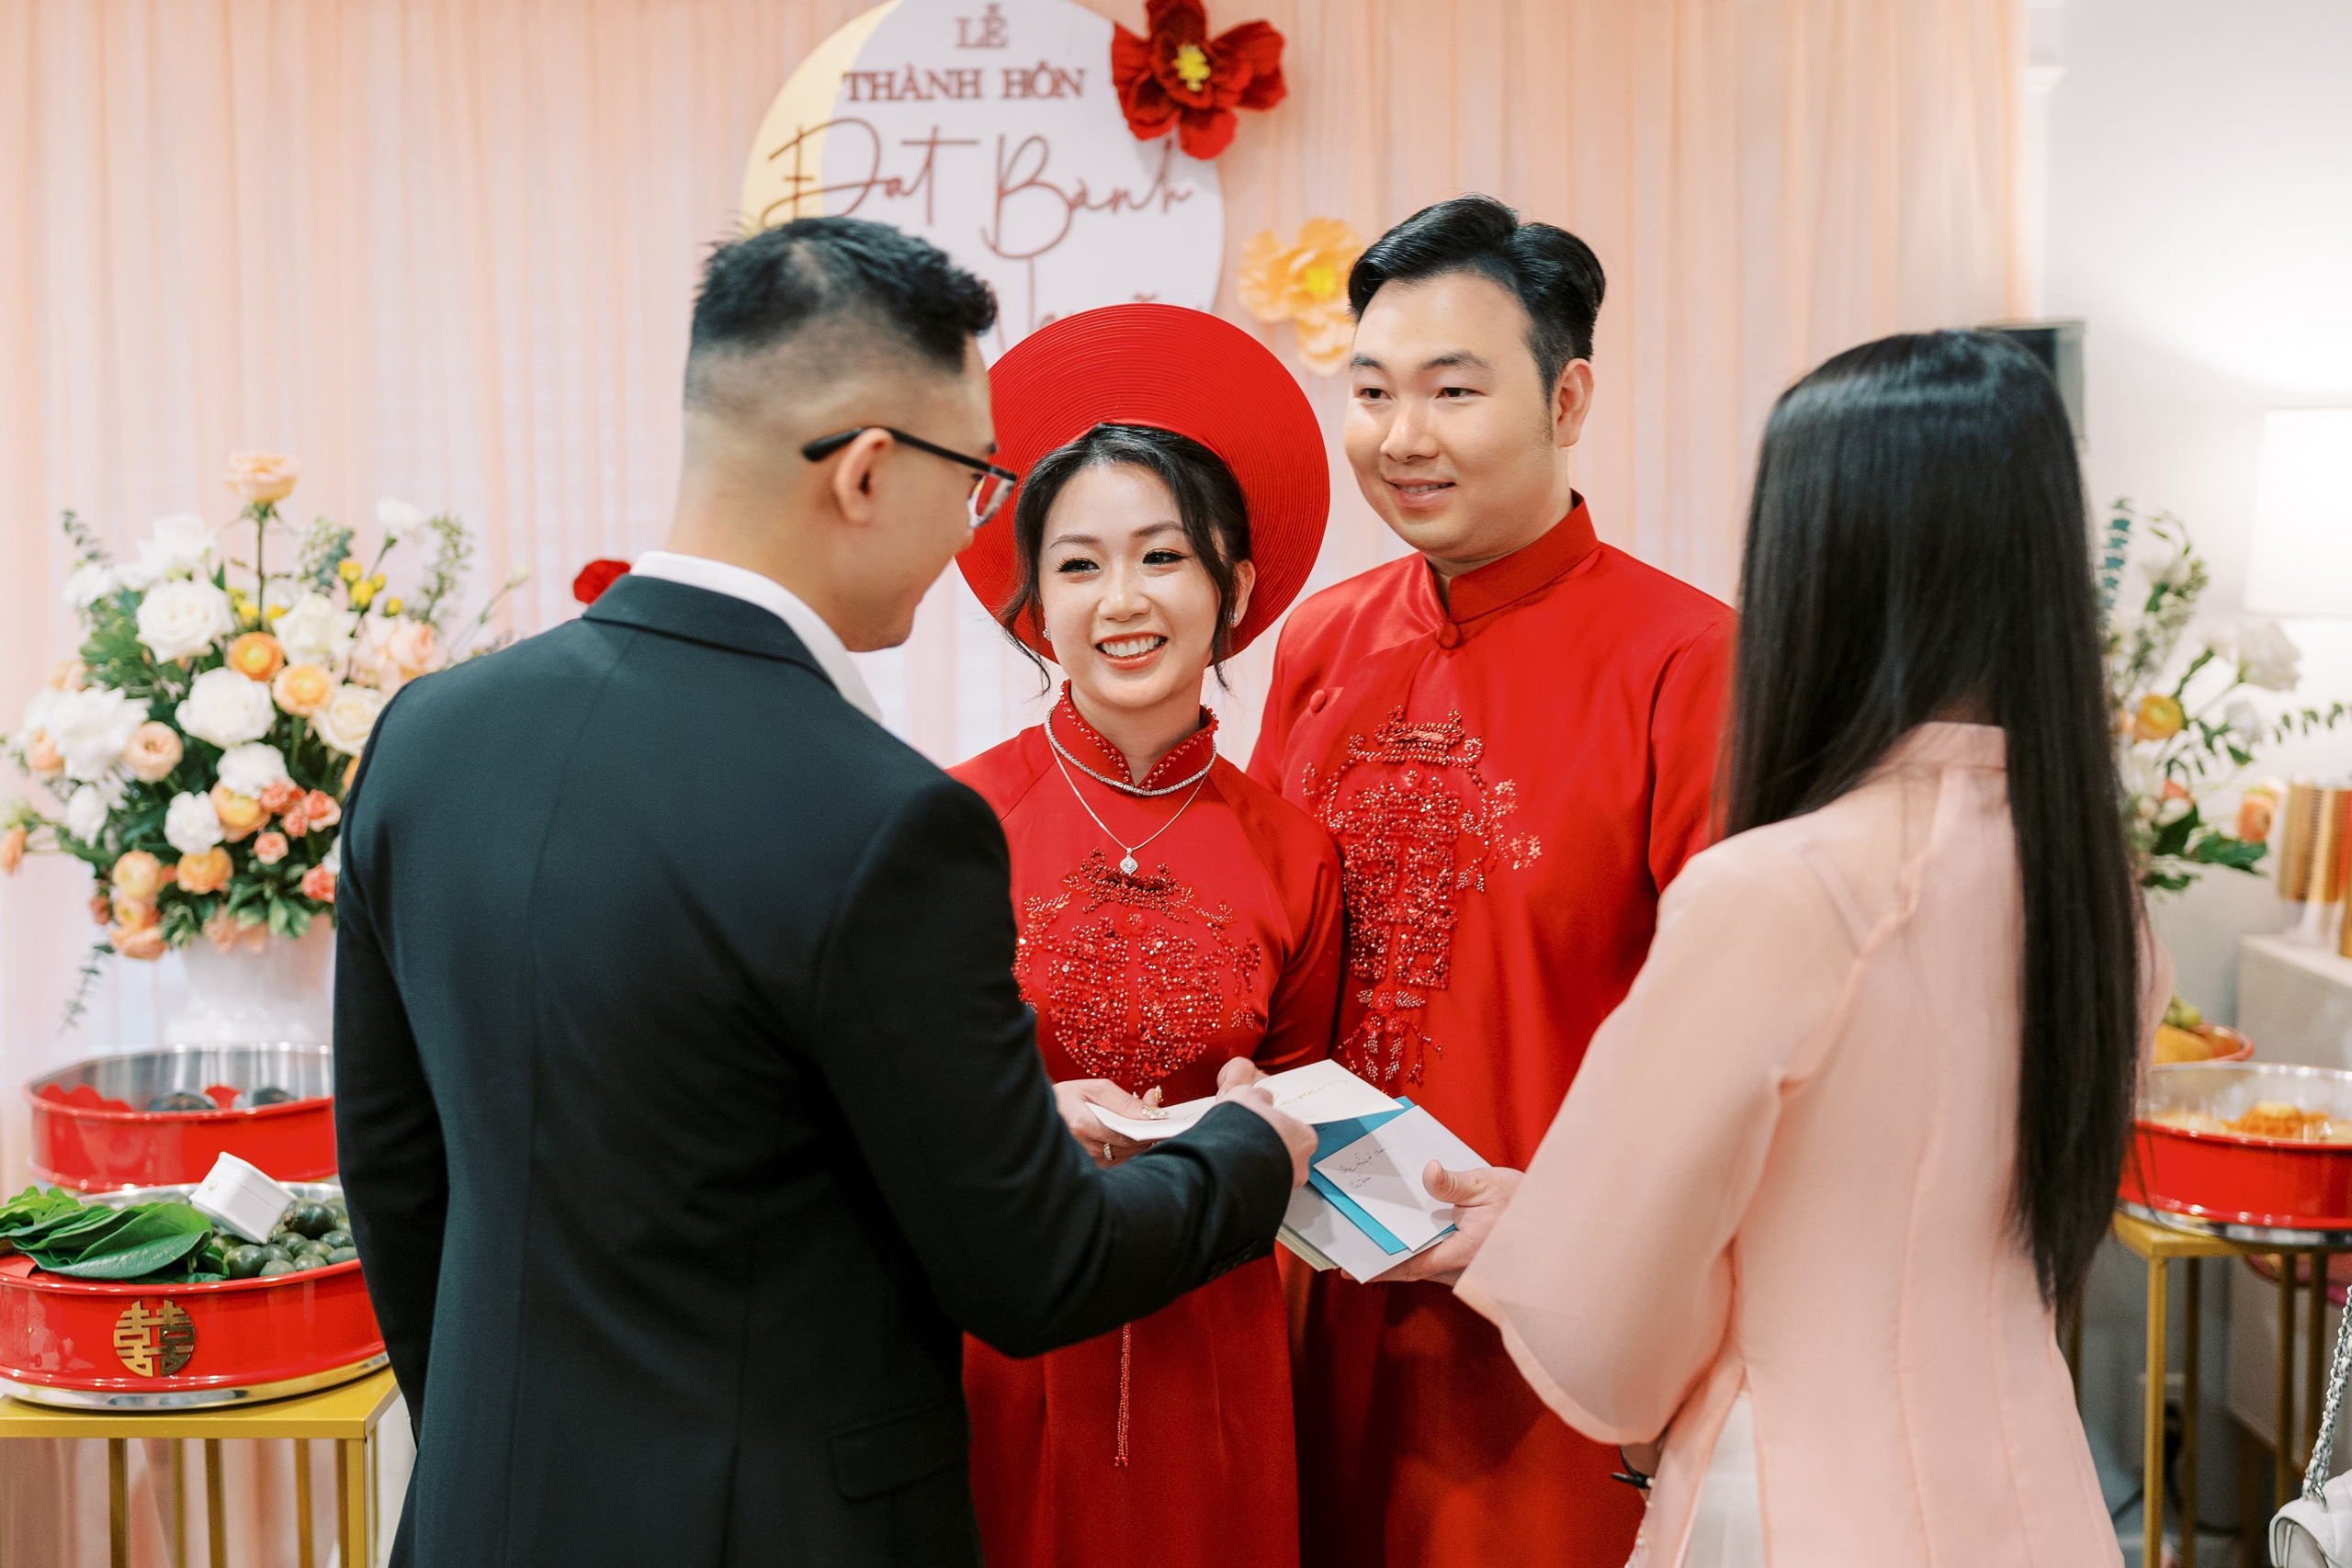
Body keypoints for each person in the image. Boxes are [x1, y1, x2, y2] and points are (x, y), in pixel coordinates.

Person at [332, 219, 1317, 1568]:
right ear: (866, 473)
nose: (980, 529)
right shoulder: (886, 818)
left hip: (486, 1513)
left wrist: (501, 1447)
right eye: (975, 479)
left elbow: (396, 1172)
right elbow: (1029, 1270)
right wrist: (1248, 1154)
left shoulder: (431, 736)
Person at [1450, 331, 2168, 1566]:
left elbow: (1605, 1330)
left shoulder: (1781, 888)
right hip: (2032, 1497)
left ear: (1814, 565)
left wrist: (1546, 1230)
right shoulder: (2100, 896)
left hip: (1794, 1504)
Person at [1246, 195, 1732, 1565]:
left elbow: (1736, 1055)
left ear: (1568, 397)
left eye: (1454, 390)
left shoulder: (1688, 664)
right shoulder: (1323, 643)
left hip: (1558, 1340)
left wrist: (1576, 1228)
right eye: (1374, 391)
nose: (1403, 438)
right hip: (1320, 1302)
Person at [946, 304, 1344, 1568]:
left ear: (1231, 583)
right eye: (1077, 564)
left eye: (1163, 557)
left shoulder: (1295, 853)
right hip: (993, 1343)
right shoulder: (948, 826)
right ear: (1033, 604)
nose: (1123, 601)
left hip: (1208, 1353)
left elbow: (1305, 1126)